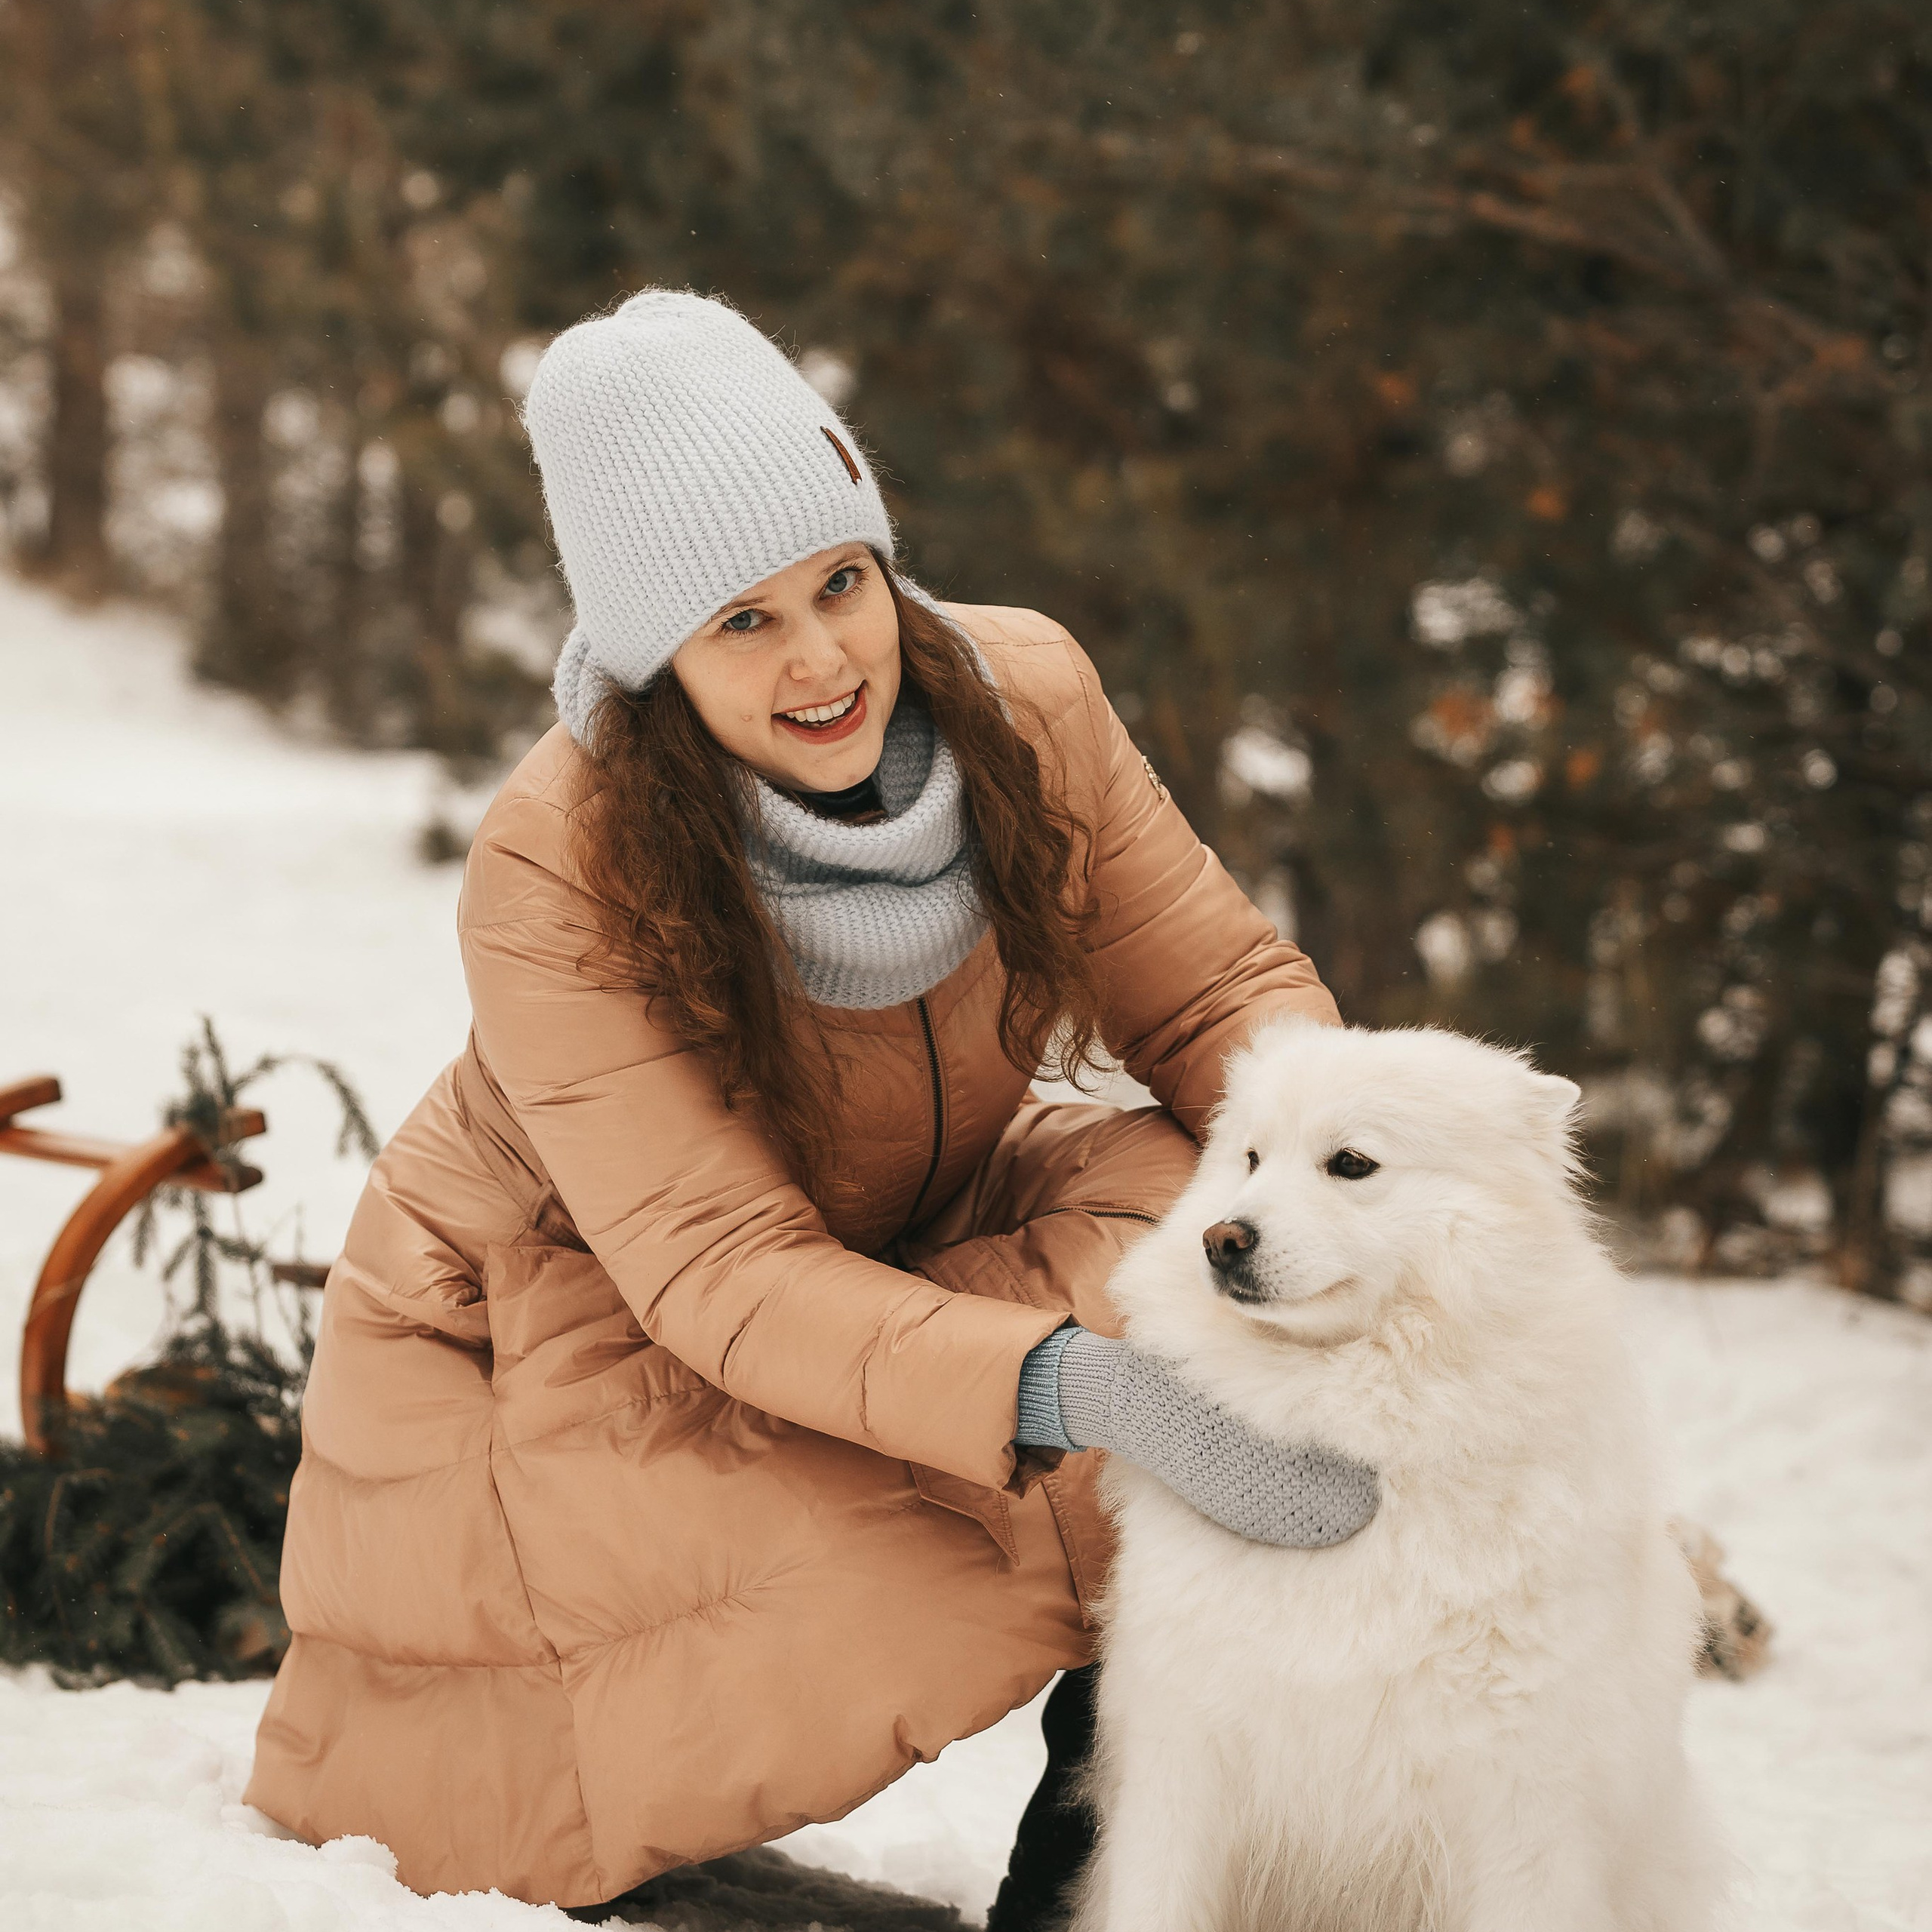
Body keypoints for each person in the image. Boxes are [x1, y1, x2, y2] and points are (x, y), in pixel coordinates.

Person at [245, 291, 1377, 1924]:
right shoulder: (560, 858)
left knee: (1190, 1236)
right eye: (741, 623)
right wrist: (1097, 1393)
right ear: (654, 660)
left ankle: (1094, 1878)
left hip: (889, 1247)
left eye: (839, 584)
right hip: (561, 1322)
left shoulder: (1025, 696)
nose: (823, 658)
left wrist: (1353, 1207)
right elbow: (717, 1269)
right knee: (901, 1549)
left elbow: (1210, 1004)